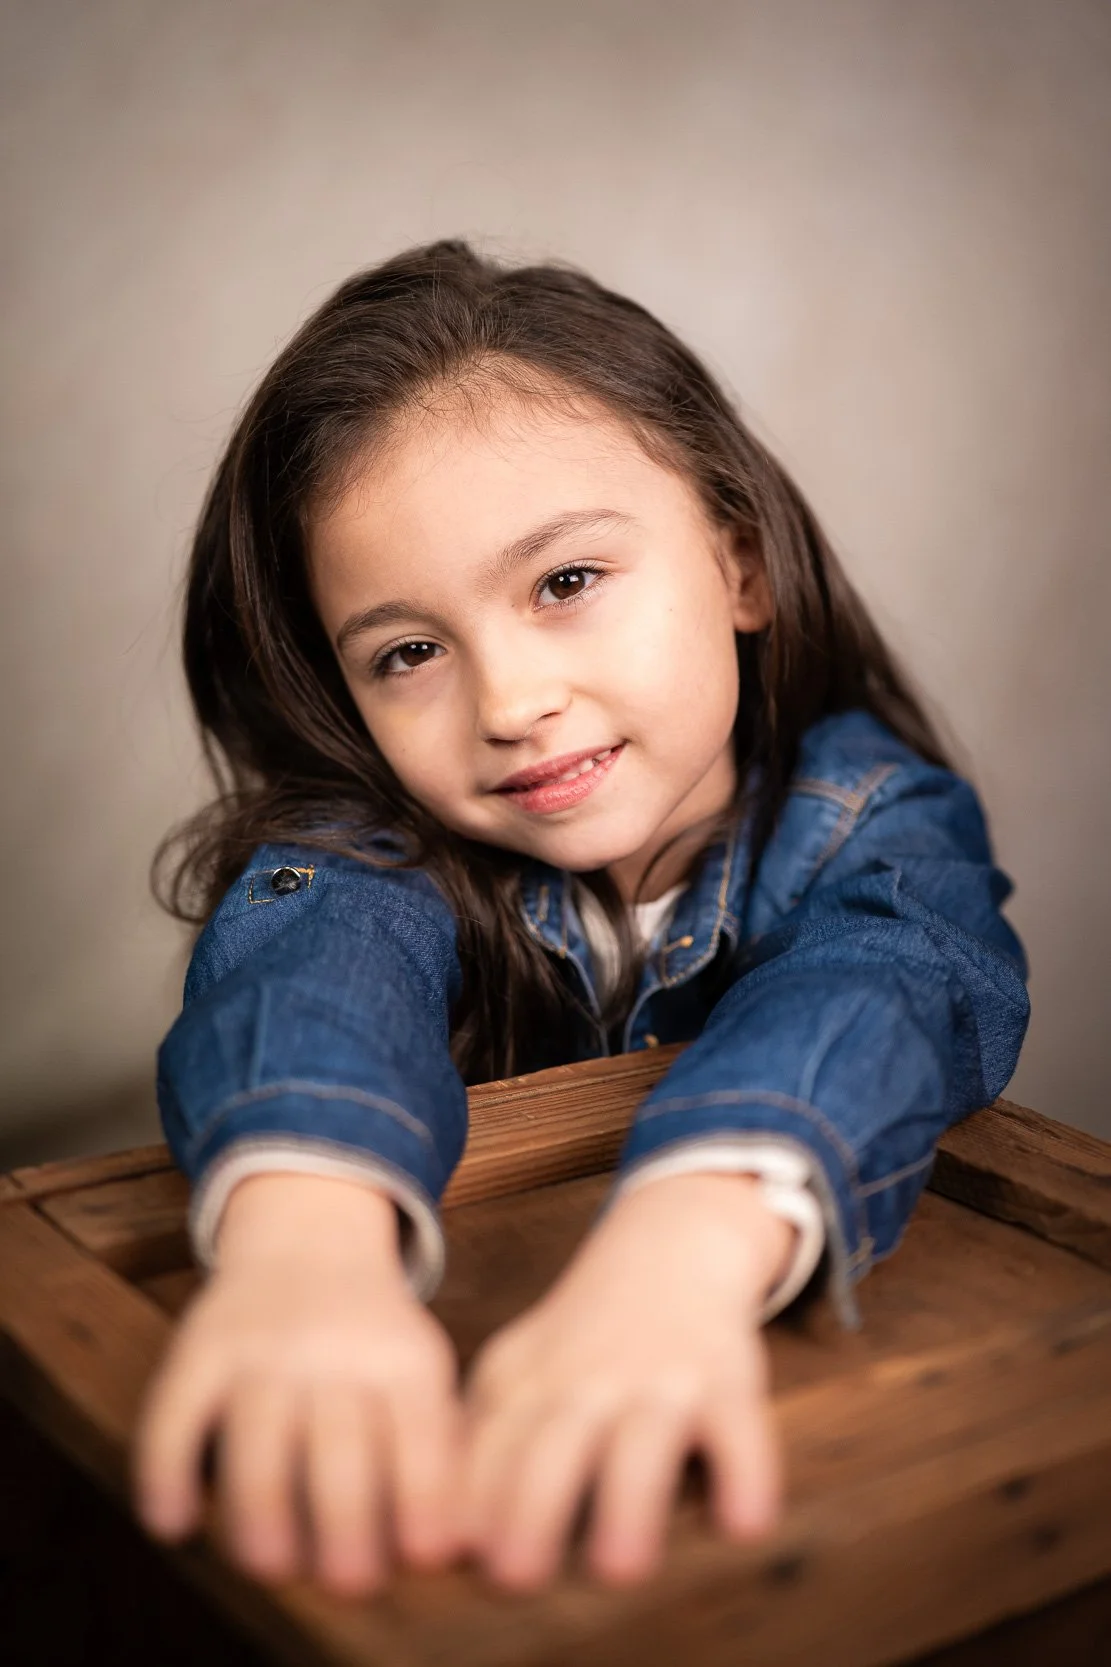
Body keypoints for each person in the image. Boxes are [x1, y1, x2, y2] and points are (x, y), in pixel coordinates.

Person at [133, 240, 1030, 1598]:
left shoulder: (870, 820)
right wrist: (301, 1249)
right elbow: (313, 962)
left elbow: (889, 977)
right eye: (408, 652)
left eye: (563, 582)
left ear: (738, 564)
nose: (506, 700)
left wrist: (678, 1255)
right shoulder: (376, 849)